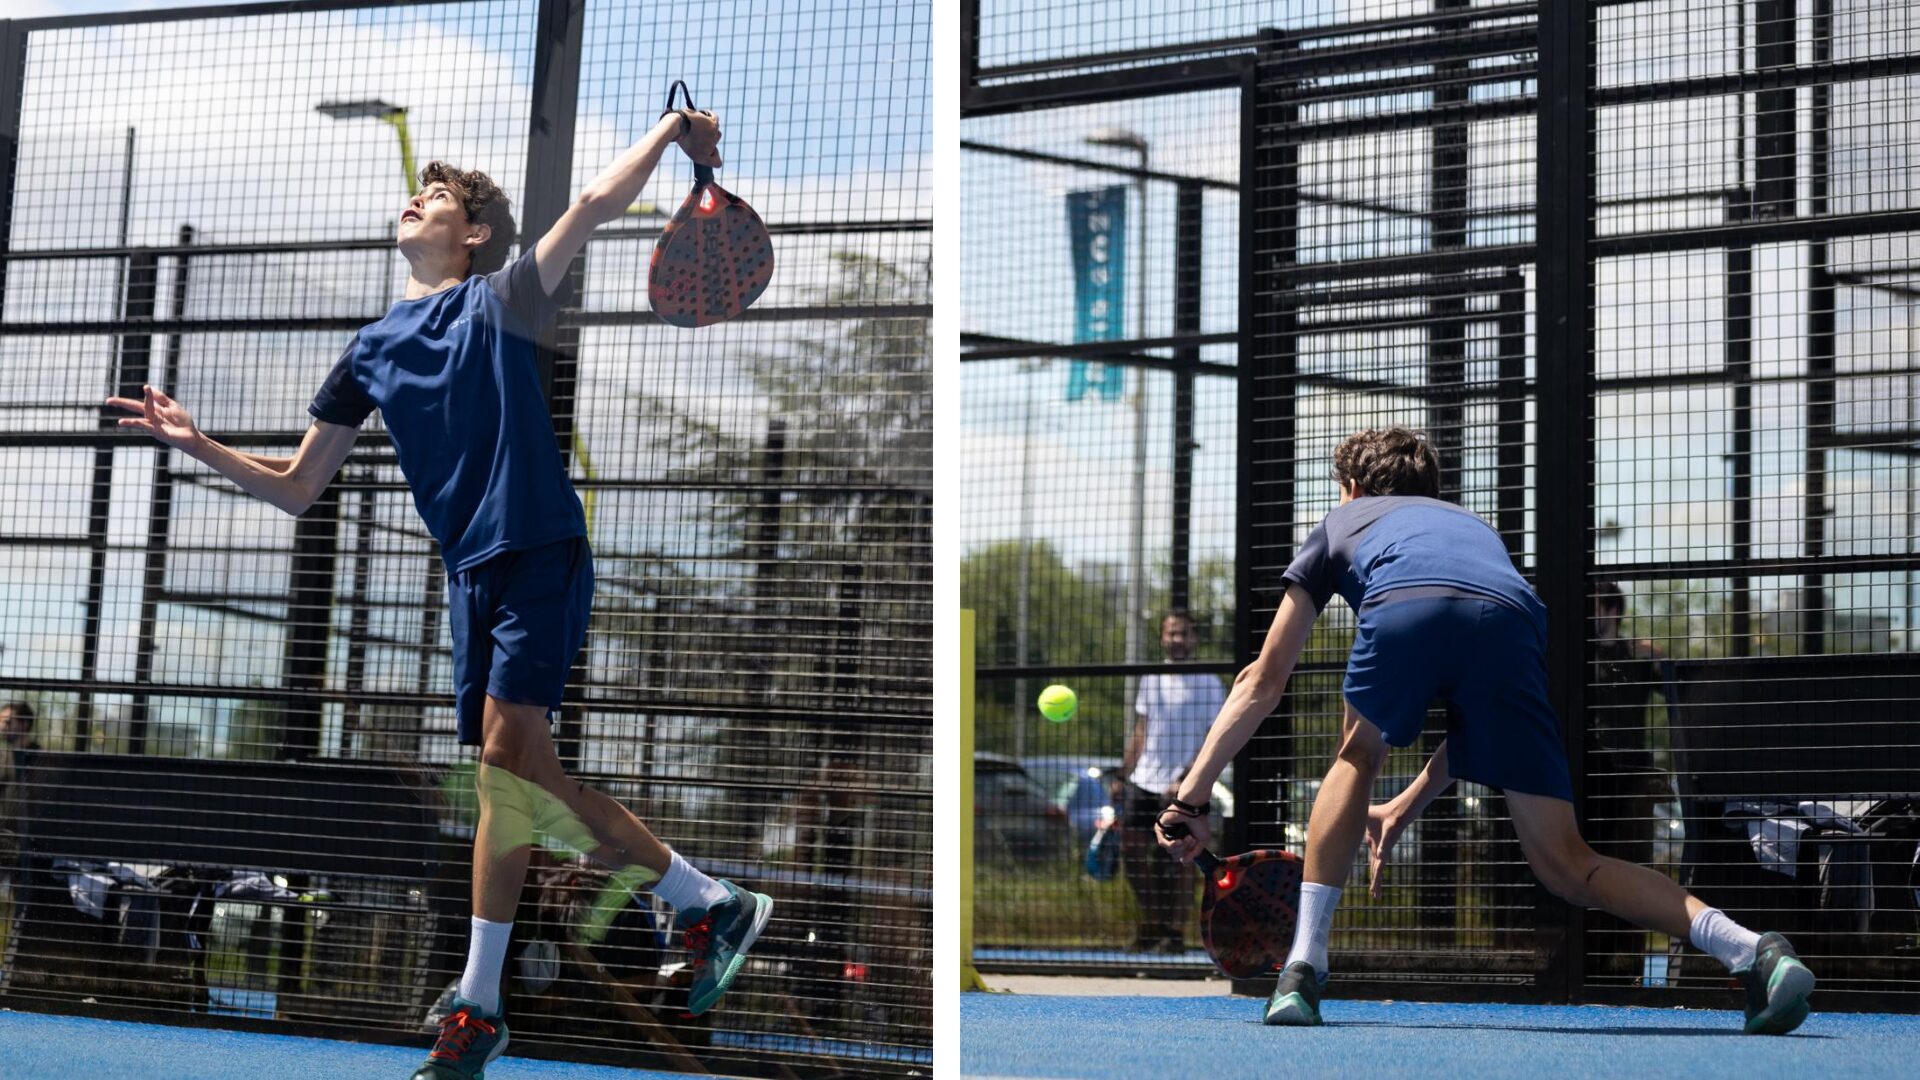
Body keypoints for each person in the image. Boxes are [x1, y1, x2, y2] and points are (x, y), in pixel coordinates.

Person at [108, 105, 771, 1079]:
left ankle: (488, 997)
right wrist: (195, 444)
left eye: (437, 197)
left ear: (473, 233)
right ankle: (681, 910)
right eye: (416, 195)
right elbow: (299, 487)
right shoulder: (372, 348)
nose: (414, 200)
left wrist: (674, 136)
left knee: (507, 769)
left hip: (539, 548)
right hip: (472, 578)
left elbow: (591, 202)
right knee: (515, 782)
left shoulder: (501, 297)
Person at [1157, 426, 1814, 1035]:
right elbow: (1473, 712)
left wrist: (1190, 798)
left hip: (1405, 610)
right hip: (1514, 620)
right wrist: (1406, 806)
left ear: (1353, 490)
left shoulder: (1342, 521)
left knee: (1357, 752)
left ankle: (1302, 968)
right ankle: (1754, 950)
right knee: (1568, 865)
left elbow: (1262, 683)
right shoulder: (1473, 531)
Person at [1113, 612, 1224, 952]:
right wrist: (1122, 774)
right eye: (1171, 633)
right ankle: (1152, 924)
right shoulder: (1152, 678)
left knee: (1182, 858)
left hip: (1183, 786)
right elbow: (1143, 730)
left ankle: (1174, 933)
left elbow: (1215, 737)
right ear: (1163, 637)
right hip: (1144, 780)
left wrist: (1188, 779)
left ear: (1194, 639)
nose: (1177, 640)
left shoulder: (1209, 682)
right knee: (1130, 851)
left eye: (1184, 634)